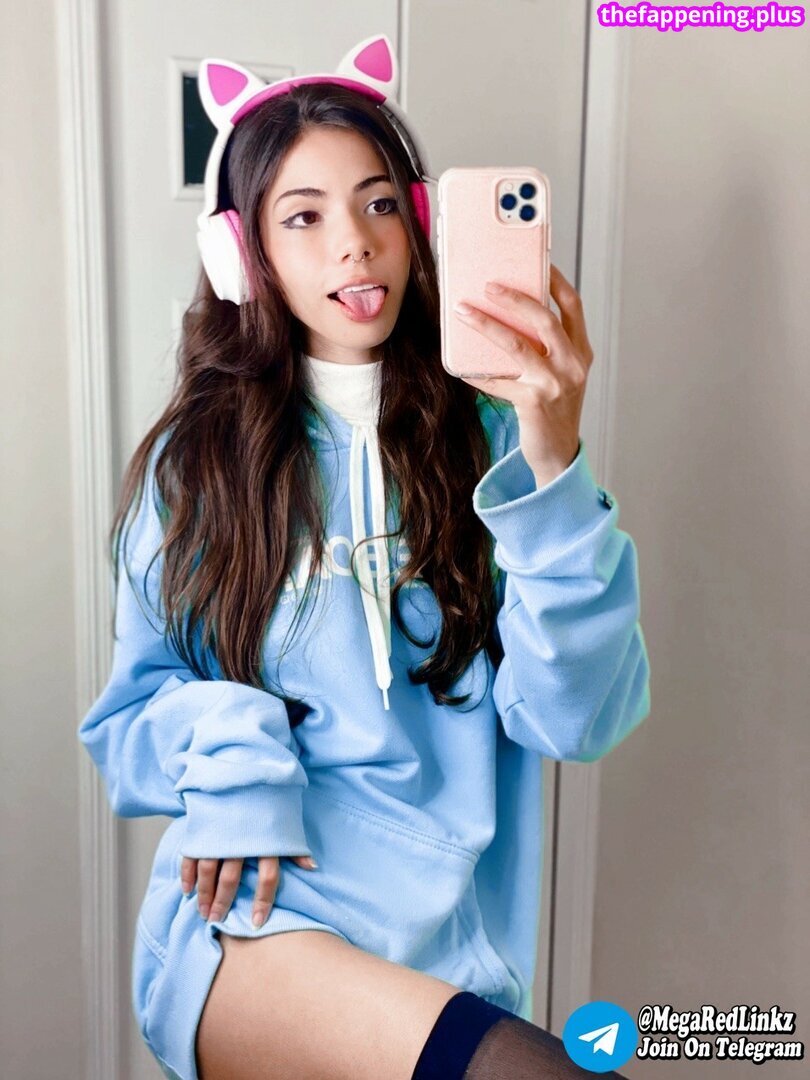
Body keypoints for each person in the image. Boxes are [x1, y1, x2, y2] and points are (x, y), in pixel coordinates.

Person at [78, 34, 649, 1080]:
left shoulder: (491, 442)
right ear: (242, 255)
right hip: (256, 917)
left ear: (418, 223)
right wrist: (235, 748)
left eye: (380, 204)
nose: (355, 243)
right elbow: (127, 725)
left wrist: (553, 460)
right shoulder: (193, 465)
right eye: (304, 216)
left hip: (447, 950)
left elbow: (575, 720)